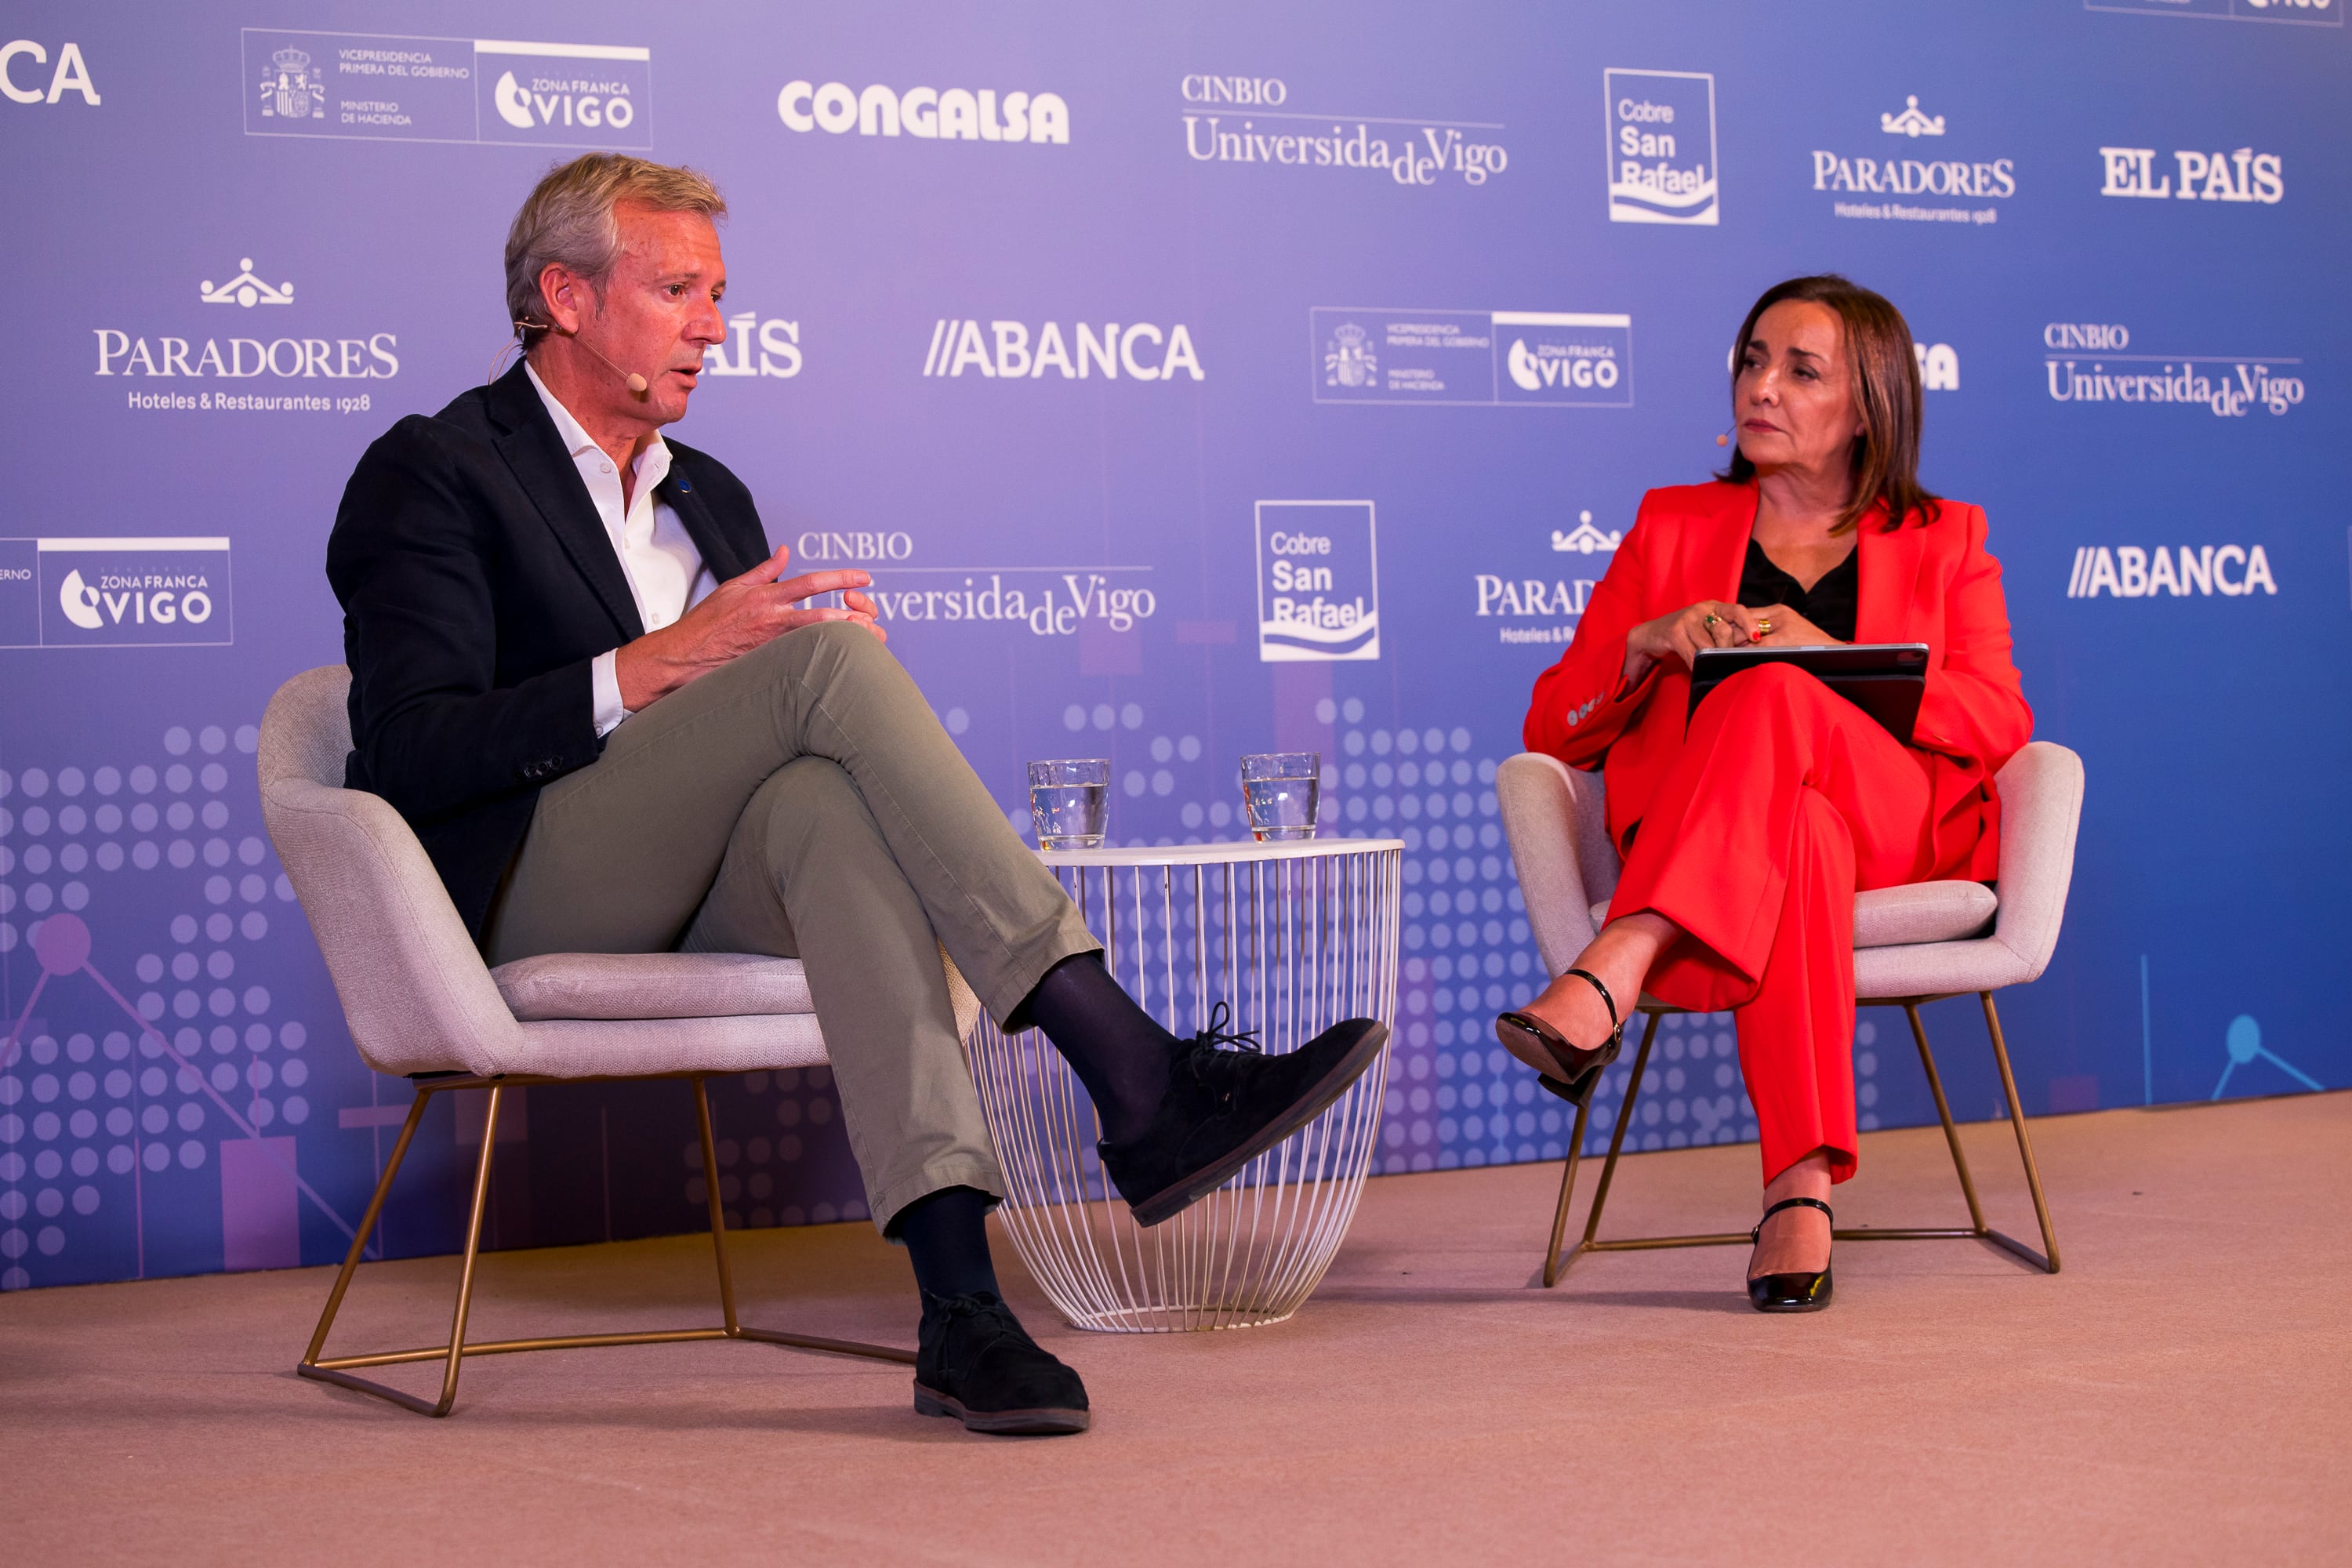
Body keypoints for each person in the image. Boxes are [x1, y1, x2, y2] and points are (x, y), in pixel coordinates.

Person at [325, 154, 1385, 1432]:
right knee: (815, 671)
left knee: (830, 803)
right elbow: (406, 751)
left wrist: (801, 687)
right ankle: (1130, 1065)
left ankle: (961, 1314)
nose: (716, 325)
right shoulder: (437, 469)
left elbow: (759, 727)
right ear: (566, 295)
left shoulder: (706, 490)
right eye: (678, 289)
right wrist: (667, 664)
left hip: (706, 881)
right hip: (528, 888)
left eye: (718, 293)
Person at [1499, 274, 2031, 1312]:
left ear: (1868, 404)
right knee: (1801, 835)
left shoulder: (1946, 537)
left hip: (1895, 817)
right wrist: (1646, 646)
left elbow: (2000, 720)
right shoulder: (1672, 525)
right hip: (1731, 831)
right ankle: (1800, 1186)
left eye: (1801, 369)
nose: (1764, 387)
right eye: (1751, 361)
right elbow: (1553, 724)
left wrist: (1838, 655)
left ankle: (1621, 956)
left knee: (1781, 690)